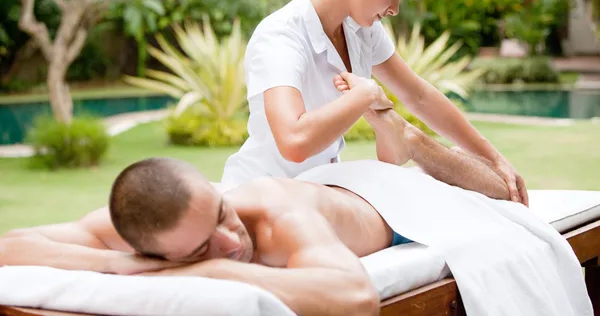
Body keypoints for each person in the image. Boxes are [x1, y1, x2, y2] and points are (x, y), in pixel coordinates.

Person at [0, 101, 512, 316]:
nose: (231, 240)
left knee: (501, 193)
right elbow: (11, 246)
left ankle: (407, 139)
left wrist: (211, 265)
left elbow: (356, 298)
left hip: (392, 202)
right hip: (338, 188)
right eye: (199, 246)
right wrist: (115, 265)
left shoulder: (271, 211)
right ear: (145, 246)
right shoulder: (139, 220)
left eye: (221, 215)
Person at [220, 0, 528, 207]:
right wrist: (366, 94)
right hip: (262, 196)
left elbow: (418, 95)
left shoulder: (361, 30)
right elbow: (294, 141)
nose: (395, 8)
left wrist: (492, 157)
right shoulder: (282, 37)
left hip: (318, 196)